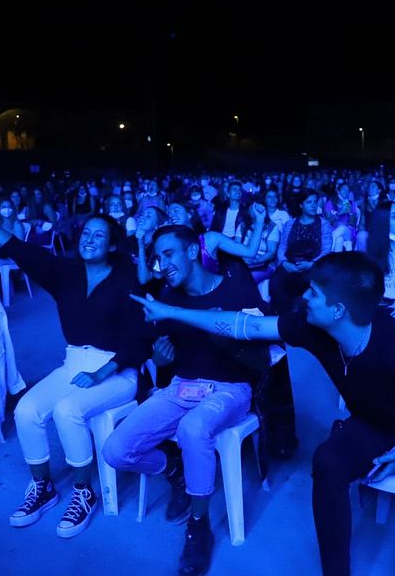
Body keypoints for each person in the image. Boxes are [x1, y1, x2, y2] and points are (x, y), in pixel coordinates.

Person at [130, 251, 395, 576]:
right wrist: (171, 312)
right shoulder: (314, 327)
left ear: (338, 310)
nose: (305, 297)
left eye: (314, 293)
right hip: (375, 423)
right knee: (328, 463)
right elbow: (246, 326)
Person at [0, 183, 150, 538]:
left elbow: (142, 339)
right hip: (74, 363)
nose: (89, 239)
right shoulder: (65, 273)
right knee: (26, 409)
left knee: (67, 410)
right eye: (86, 233)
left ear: (112, 245)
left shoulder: (128, 280)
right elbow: (16, 247)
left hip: (119, 370)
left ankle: (84, 492)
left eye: (99, 235)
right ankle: (42, 487)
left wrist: (102, 372)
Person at [103, 225, 267, 576]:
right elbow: (163, 353)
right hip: (182, 387)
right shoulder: (168, 294)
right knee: (116, 450)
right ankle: (174, 470)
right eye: (158, 258)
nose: (162, 265)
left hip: (230, 388)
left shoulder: (236, 285)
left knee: (194, 428)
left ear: (193, 251)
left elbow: (262, 346)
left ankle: (199, 525)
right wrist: (161, 360)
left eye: (168, 254)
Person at [270, 189, 333, 313]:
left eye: (315, 202)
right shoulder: (290, 223)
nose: (313, 205)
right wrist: (284, 263)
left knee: (306, 283)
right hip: (290, 264)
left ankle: (300, 316)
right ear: (301, 205)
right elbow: (282, 247)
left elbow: (326, 250)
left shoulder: (323, 224)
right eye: (309, 202)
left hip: (312, 265)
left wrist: (312, 264)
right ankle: (281, 317)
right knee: (277, 281)